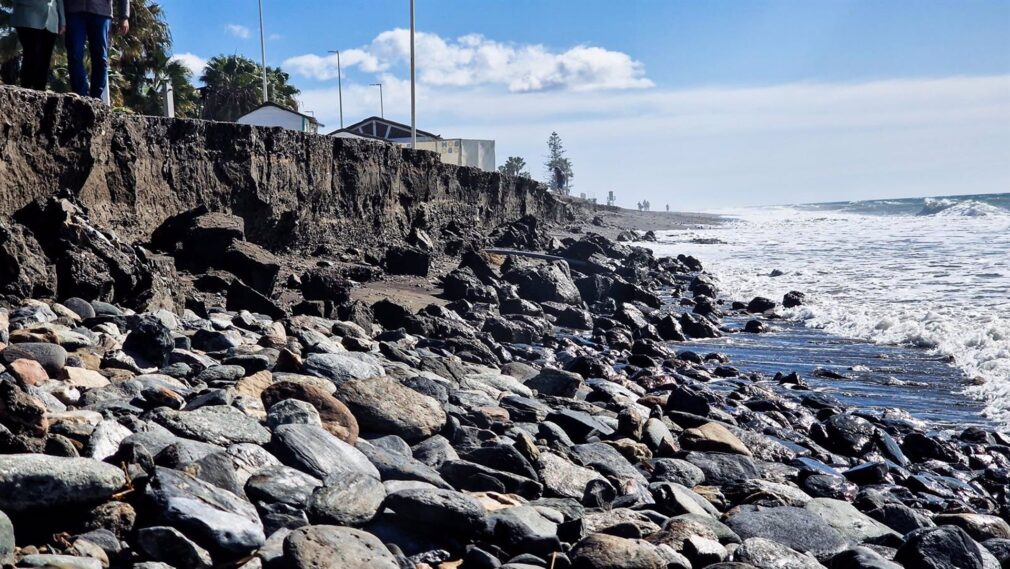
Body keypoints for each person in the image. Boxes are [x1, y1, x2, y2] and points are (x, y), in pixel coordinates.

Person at [64, 0, 130, 99]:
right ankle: (80, 94)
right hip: (74, 10)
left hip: (101, 12)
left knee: (100, 57)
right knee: (74, 54)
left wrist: (124, 16)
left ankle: (96, 97)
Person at [10, 0, 65, 91]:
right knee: (31, 54)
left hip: (51, 19)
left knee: (45, 59)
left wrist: (62, 21)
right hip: (27, 15)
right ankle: (25, 89)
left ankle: (40, 93)